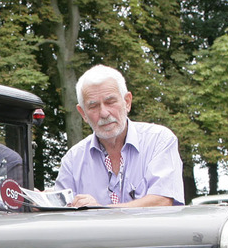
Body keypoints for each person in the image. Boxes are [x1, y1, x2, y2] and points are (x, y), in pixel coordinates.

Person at [54, 65, 183, 208]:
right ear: (83, 113)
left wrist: (98, 210)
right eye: (93, 106)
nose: (104, 113)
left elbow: (162, 202)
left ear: (127, 102)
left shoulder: (159, 140)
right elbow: (60, 210)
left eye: (110, 102)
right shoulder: (73, 160)